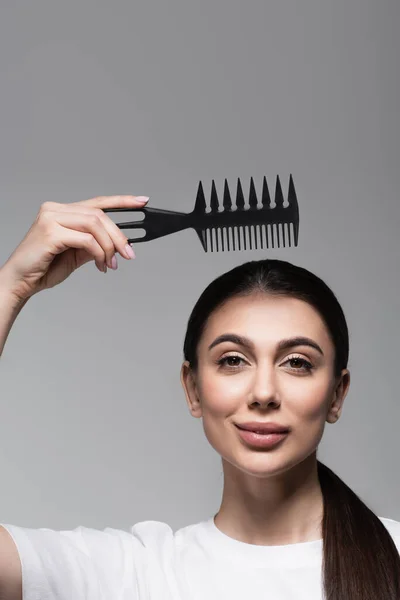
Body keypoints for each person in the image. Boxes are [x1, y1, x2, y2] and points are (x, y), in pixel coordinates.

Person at [0, 195, 399, 600]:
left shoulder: (393, 554)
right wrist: (10, 286)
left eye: (296, 362)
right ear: (193, 388)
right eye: (232, 360)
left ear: (337, 394)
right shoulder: (138, 575)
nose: (264, 393)